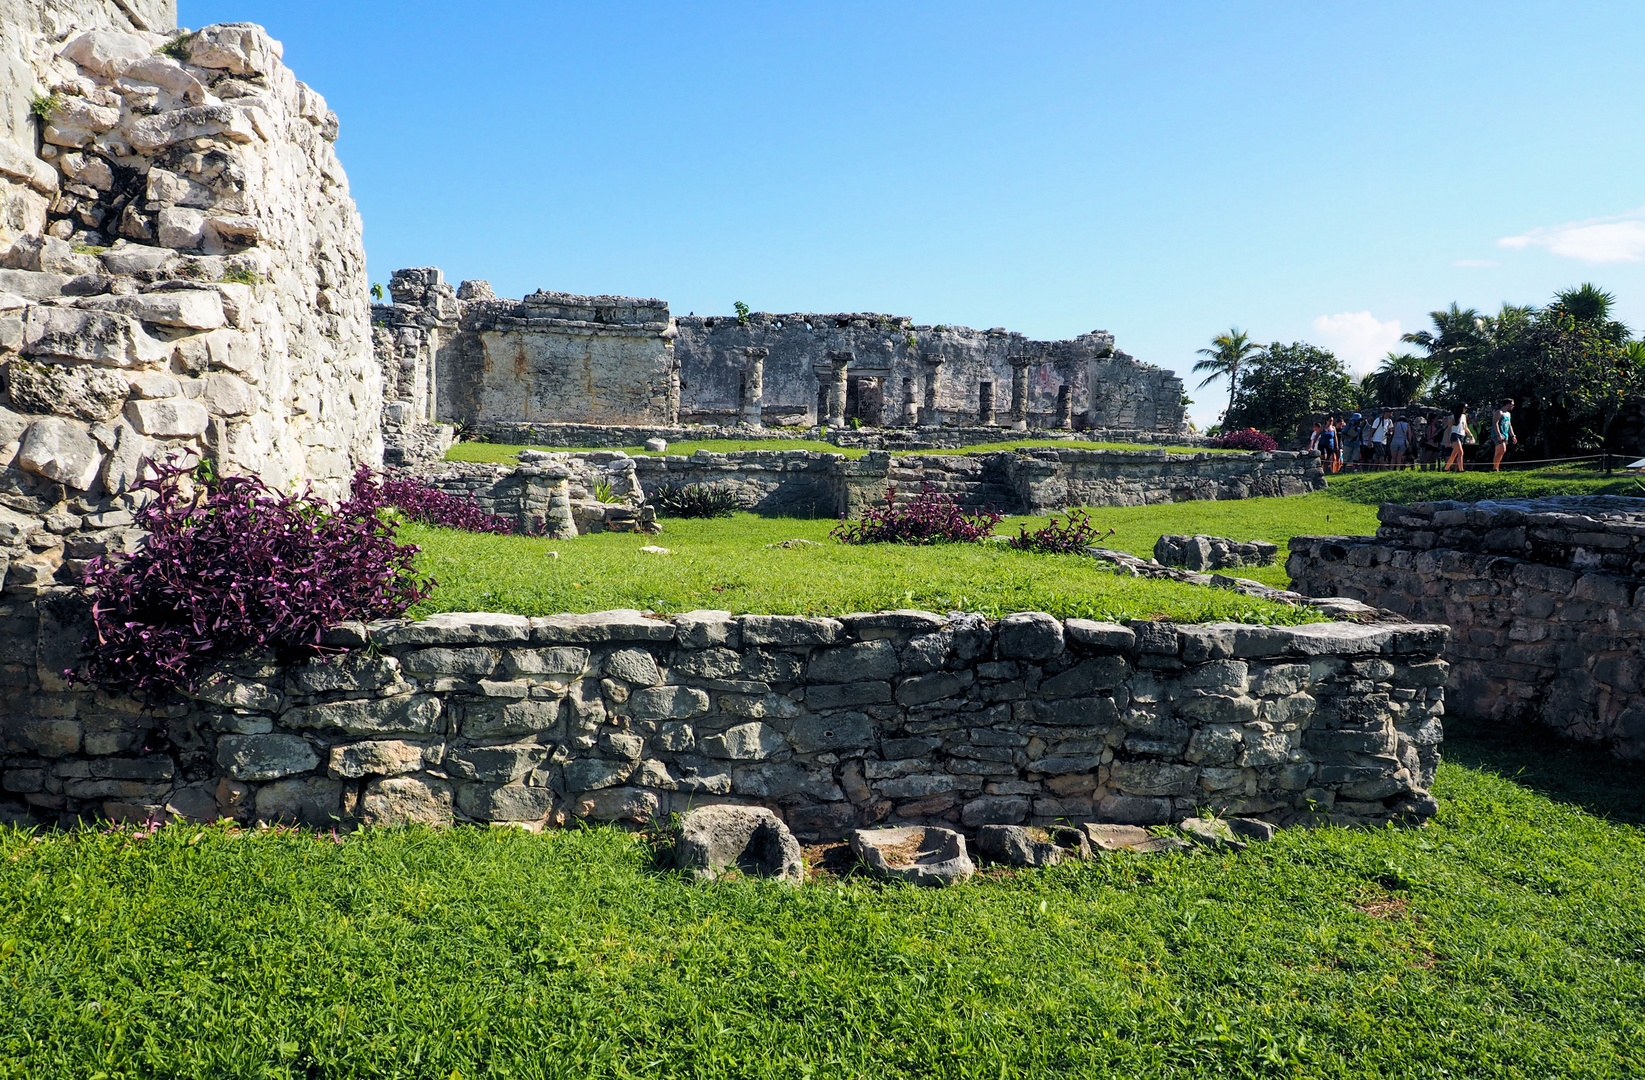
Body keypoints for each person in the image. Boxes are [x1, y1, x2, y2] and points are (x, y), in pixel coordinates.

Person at [1489, 398, 1517, 471]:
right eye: (1512, 405)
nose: (1512, 406)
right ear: (1507, 404)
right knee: (1501, 449)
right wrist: (1498, 434)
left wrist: (1513, 436)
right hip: (1497, 434)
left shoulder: (1508, 414)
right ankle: (1495, 468)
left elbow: (1509, 425)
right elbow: (1495, 423)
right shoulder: (1499, 412)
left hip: (1505, 434)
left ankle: (1496, 467)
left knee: (1501, 451)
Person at [1443, 403, 1471, 472]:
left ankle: (1446, 469)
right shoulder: (1454, 417)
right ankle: (1461, 469)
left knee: (1454, 454)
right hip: (1455, 435)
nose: (1466, 409)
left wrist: (1470, 434)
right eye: (1465, 408)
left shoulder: (1464, 417)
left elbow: (1465, 427)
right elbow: (1449, 428)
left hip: (1462, 435)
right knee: (1461, 452)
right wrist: (1448, 439)